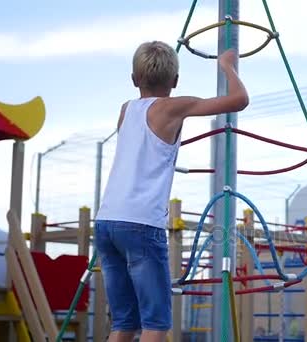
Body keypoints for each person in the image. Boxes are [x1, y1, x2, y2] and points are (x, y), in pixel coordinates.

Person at [94, 41, 249, 342]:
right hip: (141, 223)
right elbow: (239, 99)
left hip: (106, 221)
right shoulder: (174, 107)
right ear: (175, 82)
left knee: (123, 323)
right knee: (156, 323)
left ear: (133, 79)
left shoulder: (126, 110)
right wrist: (227, 65)